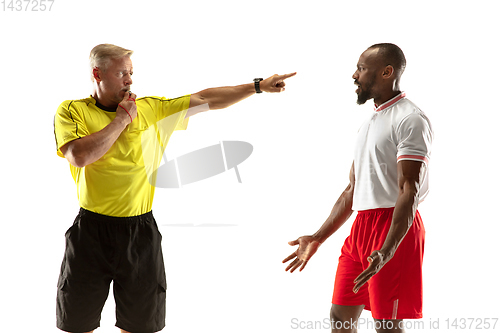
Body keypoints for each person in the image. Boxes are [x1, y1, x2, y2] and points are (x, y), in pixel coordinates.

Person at [54, 43, 296, 333]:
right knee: (77, 325)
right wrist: (121, 120)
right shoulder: (72, 111)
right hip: (91, 231)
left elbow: (206, 98)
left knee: (140, 326)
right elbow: (80, 156)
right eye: (121, 73)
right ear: (97, 73)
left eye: (131, 73)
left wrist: (257, 86)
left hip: (139, 232)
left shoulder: (152, 108)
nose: (130, 80)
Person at [283, 43, 433, 333]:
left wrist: (388, 248)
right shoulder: (370, 122)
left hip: (394, 224)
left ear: (387, 72)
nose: (355, 75)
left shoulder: (410, 119)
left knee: (387, 325)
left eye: (362, 69)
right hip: (361, 227)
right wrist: (317, 237)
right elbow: (353, 188)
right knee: (340, 317)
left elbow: (409, 191)